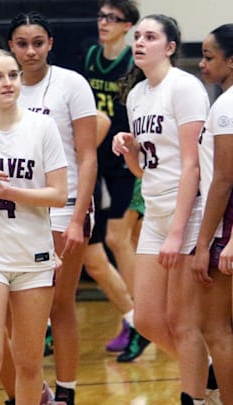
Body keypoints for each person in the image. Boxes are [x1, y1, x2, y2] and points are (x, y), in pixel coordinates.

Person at [0, 49, 68, 404]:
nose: (8, 83)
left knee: (29, 364)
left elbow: (58, 195)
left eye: (13, 75)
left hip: (33, 257)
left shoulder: (42, 126)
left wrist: (9, 190)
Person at [112, 14, 210, 405]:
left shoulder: (185, 87)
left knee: (183, 322)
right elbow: (142, 171)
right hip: (155, 211)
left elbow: (193, 164)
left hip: (190, 212)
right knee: (149, 319)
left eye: (150, 37)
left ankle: (196, 395)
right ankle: (207, 370)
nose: (139, 42)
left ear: (170, 47)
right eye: (137, 37)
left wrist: (177, 231)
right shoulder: (137, 95)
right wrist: (131, 151)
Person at [8, 11, 98, 404]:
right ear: (11, 46)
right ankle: (32, 392)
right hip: (19, 211)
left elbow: (88, 154)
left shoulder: (71, 84)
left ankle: (66, 392)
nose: (31, 51)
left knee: (58, 305)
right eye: (22, 43)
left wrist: (79, 217)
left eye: (38, 42)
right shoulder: (4, 85)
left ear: (50, 44)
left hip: (65, 206)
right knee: (12, 312)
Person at [81, 0, 147, 359]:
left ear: (128, 26)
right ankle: (136, 317)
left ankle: (142, 319)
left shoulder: (132, 64)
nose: (104, 22)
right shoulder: (90, 56)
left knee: (119, 240)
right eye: (102, 16)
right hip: (95, 161)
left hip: (125, 161)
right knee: (107, 246)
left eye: (113, 18)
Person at [192, 23, 233, 405]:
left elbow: (222, 181)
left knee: (216, 328)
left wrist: (206, 243)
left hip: (227, 223)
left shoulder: (225, 107)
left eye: (209, 56)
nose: (202, 64)